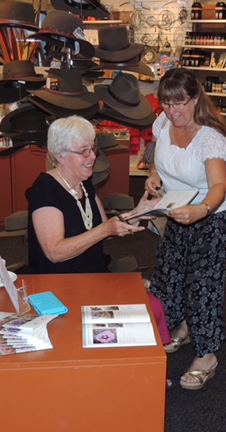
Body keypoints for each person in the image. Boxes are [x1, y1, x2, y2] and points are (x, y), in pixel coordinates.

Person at [26, 115, 172, 356]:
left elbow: (104, 230)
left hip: (92, 278)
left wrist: (138, 212)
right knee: (143, 312)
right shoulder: (45, 190)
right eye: (83, 151)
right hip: (60, 287)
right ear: (60, 156)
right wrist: (106, 229)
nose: (92, 156)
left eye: (92, 149)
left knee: (153, 306)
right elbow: (54, 252)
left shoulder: (83, 183)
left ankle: (142, 370)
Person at [145, 68, 226, 390]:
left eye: (180, 103)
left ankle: (207, 353)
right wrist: (154, 174)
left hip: (213, 214)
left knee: (202, 283)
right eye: (167, 104)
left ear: (195, 99)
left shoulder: (210, 137)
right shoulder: (163, 122)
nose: (173, 111)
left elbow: (219, 187)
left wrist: (202, 210)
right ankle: (180, 328)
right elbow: (155, 154)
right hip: (178, 207)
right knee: (168, 275)